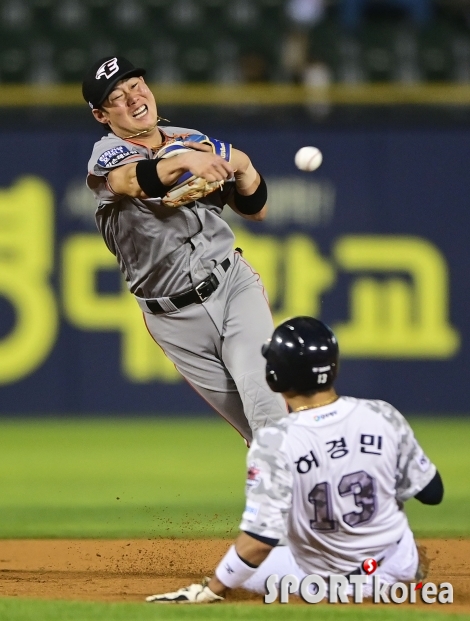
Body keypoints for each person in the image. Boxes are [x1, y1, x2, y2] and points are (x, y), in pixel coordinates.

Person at [146, 316, 444, 603]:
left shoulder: (276, 441)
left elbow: (259, 541)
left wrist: (212, 589)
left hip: (331, 583)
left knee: (249, 570)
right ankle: (398, 565)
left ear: (276, 376)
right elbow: (433, 494)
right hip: (397, 565)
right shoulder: (381, 415)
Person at [82, 56, 287, 442]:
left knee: (268, 411)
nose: (133, 97)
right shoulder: (107, 154)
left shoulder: (189, 138)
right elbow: (136, 181)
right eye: (117, 96)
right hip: (173, 318)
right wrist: (186, 161)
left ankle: (308, 500)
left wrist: (243, 166)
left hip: (232, 286)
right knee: (258, 434)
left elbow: (255, 209)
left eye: (136, 84)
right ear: (101, 115)